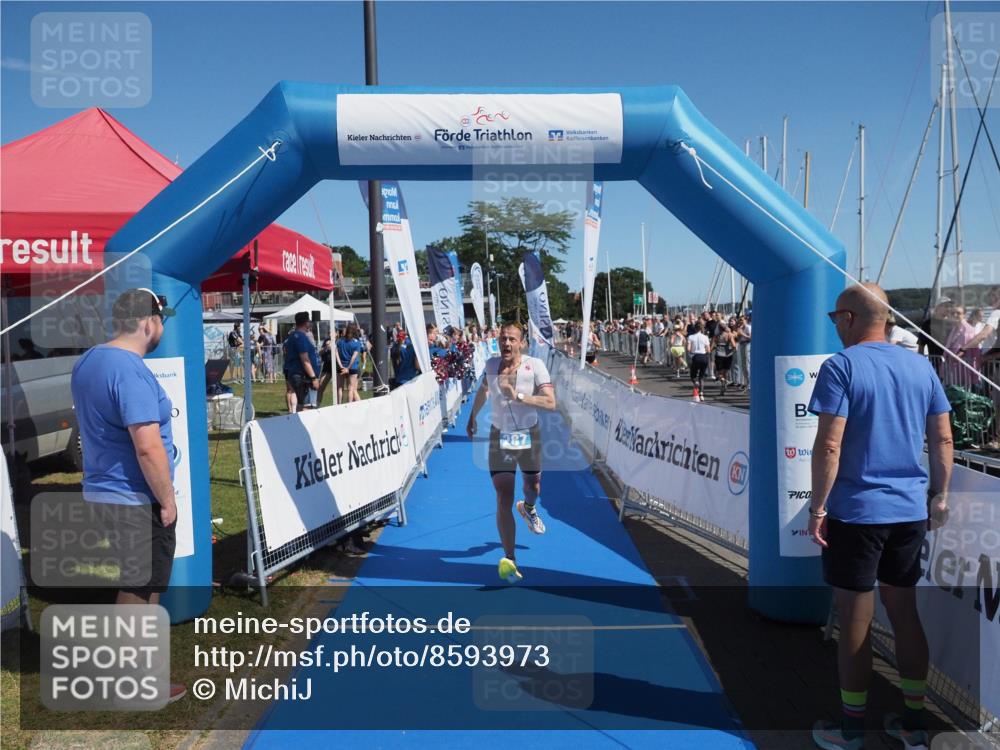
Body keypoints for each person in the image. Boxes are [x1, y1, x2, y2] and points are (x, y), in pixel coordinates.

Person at [807, 283, 952, 750]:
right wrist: (941, 495)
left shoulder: (841, 366)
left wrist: (817, 507)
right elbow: (943, 439)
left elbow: (829, 445)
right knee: (904, 613)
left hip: (857, 513)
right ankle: (913, 722)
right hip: (909, 511)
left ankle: (852, 729)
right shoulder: (920, 366)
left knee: (855, 618)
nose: (835, 326)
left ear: (849, 319)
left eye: (835, 318)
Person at [69, 288, 186, 703]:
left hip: (105, 490)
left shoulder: (89, 361)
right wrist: (167, 500)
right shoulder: (129, 369)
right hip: (134, 495)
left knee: (140, 583)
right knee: (139, 589)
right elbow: (147, 446)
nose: (162, 328)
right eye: (161, 320)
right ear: (147, 322)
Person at [466, 322, 556, 584]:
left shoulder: (535, 366)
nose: (506, 343)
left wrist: (518, 396)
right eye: (503, 338)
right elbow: (484, 389)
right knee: (503, 495)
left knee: (533, 487)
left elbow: (550, 402)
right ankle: (510, 559)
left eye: (512, 339)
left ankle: (528, 508)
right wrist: (472, 416)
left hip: (529, 434)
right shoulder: (491, 365)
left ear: (522, 343)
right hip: (500, 436)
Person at [283, 311, 321, 412]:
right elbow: (305, 360)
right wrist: (313, 378)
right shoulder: (300, 337)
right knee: (307, 407)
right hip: (303, 376)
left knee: (301, 404)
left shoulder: (293, 336)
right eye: (309, 321)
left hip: (297, 374)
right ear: (306, 322)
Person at [337, 323, 364, 403]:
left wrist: (341, 365)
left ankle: (338, 405)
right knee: (351, 388)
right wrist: (348, 368)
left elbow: (336, 353)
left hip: (341, 366)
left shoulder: (340, 341)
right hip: (352, 367)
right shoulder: (357, 342)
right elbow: (354, 357)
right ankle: (349, 405)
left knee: (340, 388)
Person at [687, 321, 711, 402]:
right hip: (703, 357)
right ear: (701, 328)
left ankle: (696, 383)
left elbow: (688, 349)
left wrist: (692, 351)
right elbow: (708, 350)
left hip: (695, 356)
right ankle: (701, 394)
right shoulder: (705, 337)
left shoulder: (691, 337)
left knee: (693, 375)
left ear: (695, 328)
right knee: (701, 377)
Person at [712, 323, 736, 397]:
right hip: (728, 354)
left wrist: (711, 350)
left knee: (719, 372)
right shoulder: (729, 335)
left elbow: (713, 345)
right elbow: (734, 345)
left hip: (719, 354)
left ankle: (723, 380)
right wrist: (731, 351)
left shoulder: (717, 336)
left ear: (719, 328)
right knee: (725, 372)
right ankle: (723, 388)